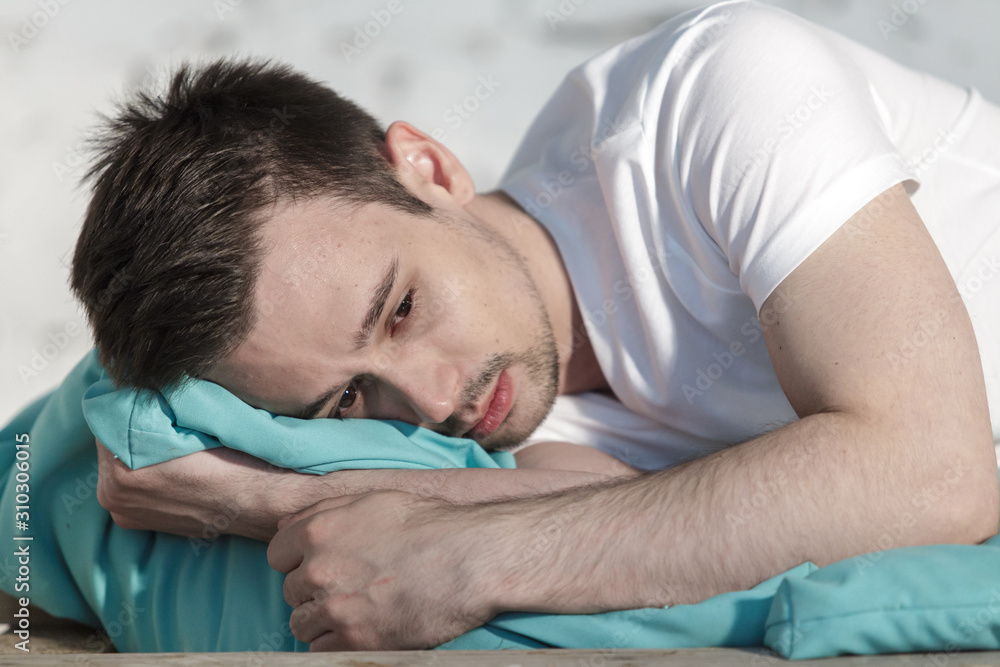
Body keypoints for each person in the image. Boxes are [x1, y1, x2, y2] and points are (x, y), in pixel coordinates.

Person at [73, 0, 999, 652]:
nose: (434, 400)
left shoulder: (719, 93)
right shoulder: (504, 424)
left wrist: (467, 558)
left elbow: (935, 476)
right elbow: (632, 527)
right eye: (350, 397)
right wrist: (259, 495)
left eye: (401, 308)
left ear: (428, 166)